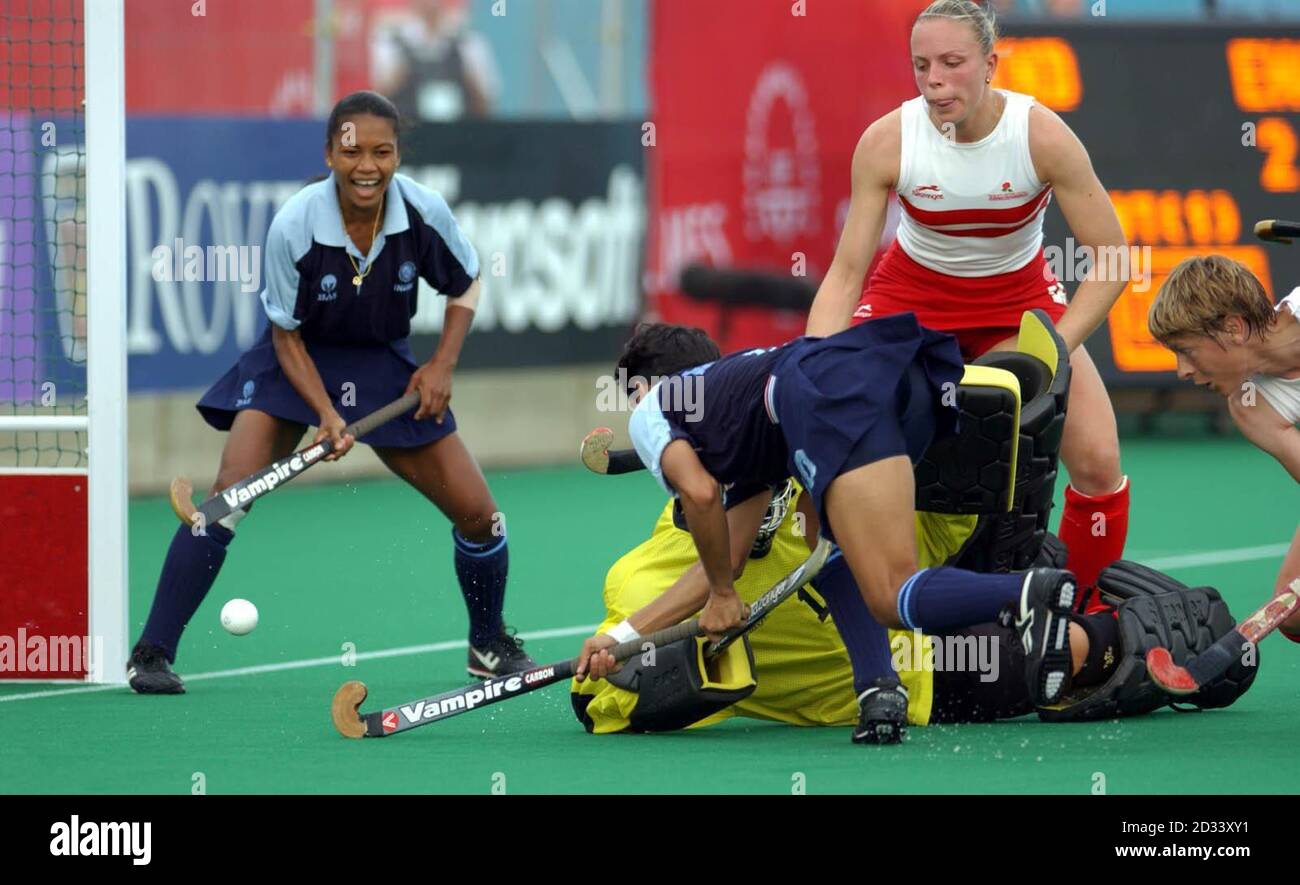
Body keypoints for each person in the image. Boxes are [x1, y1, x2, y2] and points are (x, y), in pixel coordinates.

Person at [126, 91, 532, 694]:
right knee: (227, 500)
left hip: (385, 367)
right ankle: (151, 653)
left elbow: (467, 281)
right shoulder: (294, 222)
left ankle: (488, 644)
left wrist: (441, 364)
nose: (367, 165)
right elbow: (285, 335)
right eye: (352, 151)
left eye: (382, 152)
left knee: (482, 518)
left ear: (397, 156)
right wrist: (324, 412)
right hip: (297, 361)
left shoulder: (422, 212)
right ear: (330, 153)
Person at [573, 318, 1082, 744]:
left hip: (822, 399)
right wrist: (621, 636)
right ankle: (879, 689)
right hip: (898, 374)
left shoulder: (651, 407)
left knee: (887, 592)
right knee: (829, 546)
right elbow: (725, 558)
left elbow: (700, 496)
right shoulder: (740, 418)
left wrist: (726, 596)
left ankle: (1027, 593)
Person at [807, 0, 1131, 612]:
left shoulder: (1040, 136)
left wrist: (1056, 347)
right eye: (921, 64)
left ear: (990, 64)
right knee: (847, 445)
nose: (934, 80)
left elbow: (1113, 258)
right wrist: (811, 366)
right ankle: (874, 610)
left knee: (1097, 462)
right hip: (911, 299)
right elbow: (847, 273)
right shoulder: (886, 141)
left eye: (952, 63)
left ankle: (1079, 621)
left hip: (1021, 301)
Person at [1147, 254, 1300, 642]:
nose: (1182, 371)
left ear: (1233, 328)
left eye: (1187, 350)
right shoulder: (1251, 406)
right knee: (1294, 616)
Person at [370, 0, 501, 122]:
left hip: (459, 135)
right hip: (407, 133)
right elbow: (378, 99)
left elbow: (487, 102)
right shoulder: (391, 43)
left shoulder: (468, 43)